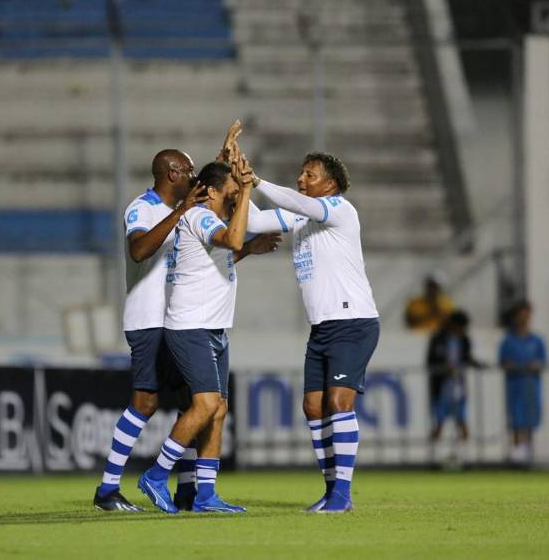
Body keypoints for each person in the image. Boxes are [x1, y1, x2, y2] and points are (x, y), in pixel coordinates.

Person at [95, 126, 279, 512]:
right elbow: (140, 250)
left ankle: (192, 490)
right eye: (189, 171)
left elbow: (206, 263)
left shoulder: (196, 211)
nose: (196, 178)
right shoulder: (142, 208)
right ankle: (109, 487)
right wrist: (181, 211)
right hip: (149, 317)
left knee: (196, 405)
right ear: (172, 174)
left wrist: (226, 160)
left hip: (182, 316)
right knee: (146, 402)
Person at [244, 150, 379, 514]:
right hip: (322, 327)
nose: (302, 179)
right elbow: (254, 223)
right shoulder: (301, 216)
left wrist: (257, 181)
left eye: (310, 175)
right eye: (300, 174)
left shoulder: (339, 209)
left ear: (331, 184)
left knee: (338, 403)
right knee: (313, 406)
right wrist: (237, 184)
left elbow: (296, 202)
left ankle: (342, 494)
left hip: (353, 322)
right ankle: (332, 490)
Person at [137, 157, 255, 514]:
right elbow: (233, 239)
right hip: (191, 327)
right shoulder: (201, 216)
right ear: (215, 190)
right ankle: (156, 476)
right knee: (204, 405)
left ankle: (206, 494)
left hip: (213, 326)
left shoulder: (211, 218)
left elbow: (221, 257)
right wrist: (248, 190)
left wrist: (251, 247)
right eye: (232, 186)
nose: (237, 191)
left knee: (218, 409)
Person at [426, 310, 483, 467]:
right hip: (441, 386)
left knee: (462, 419)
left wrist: (476, 364)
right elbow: (430, 361)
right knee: (439, 420)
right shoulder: (438, 339)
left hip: (458, 386)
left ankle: (465, 457)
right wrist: (444, 368)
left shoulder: (464, 339)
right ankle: (434, 457)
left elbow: (467, 357)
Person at [499, 300, 547, 466]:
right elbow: (503, 361)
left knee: (531, 418)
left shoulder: (537, 340)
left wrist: (536, 366)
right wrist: (510, 365)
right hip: (515, 385)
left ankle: (528, 453)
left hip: (532, 386)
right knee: (517, 419)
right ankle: (518, 453)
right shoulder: (508, 340)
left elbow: (542, 362)